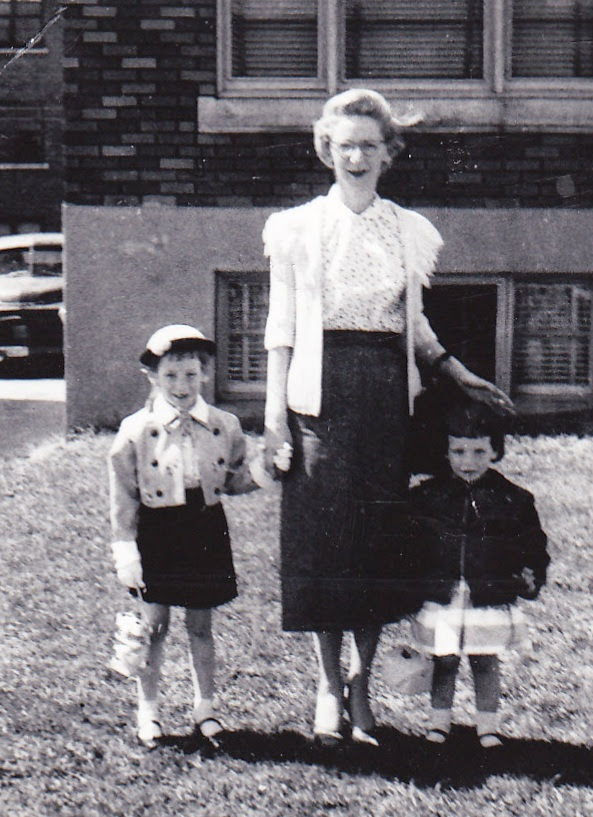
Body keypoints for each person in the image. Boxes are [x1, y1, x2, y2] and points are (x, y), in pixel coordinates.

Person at [262, 88, 515, 747]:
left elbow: (412, 323)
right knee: (323, 539)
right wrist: (272, 416)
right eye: (343, 145)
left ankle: (361, 683)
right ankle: (324, 682)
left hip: (384, 396)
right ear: (326, 150)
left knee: (376, 539)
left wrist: (454, 370)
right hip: (317, 396)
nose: (354, 156)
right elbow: (280, 328)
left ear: (388, 154)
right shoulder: (294, 229)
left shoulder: (405, 229)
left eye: (367, 146)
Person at [108, 324, 258, 748]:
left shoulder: (222, 425)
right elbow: (123, 496)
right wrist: (127, 551)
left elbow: (235, 478)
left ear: (205, 374)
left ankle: (205, 708)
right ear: (153, 378)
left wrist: (267, 471)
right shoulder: (136, 430)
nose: (181, 385)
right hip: (158, 531)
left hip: (204, 528)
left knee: (201, 625)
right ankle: (149, 711)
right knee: (154, 627)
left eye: (191, 375)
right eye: (170, 376)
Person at [408, 401, 549, 748]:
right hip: (443, 595)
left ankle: (488, 727)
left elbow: (532, 546)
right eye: (457, 451)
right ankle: (439, 723)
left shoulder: (513, 500)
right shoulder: (427, 498)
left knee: (485, 661)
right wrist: (410, 587)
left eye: (478, 451)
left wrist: (531, 575)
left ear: (495, 451)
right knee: (445, 661)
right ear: (445, 451)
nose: (467, 461)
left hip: (487, 596)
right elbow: (412, 549)